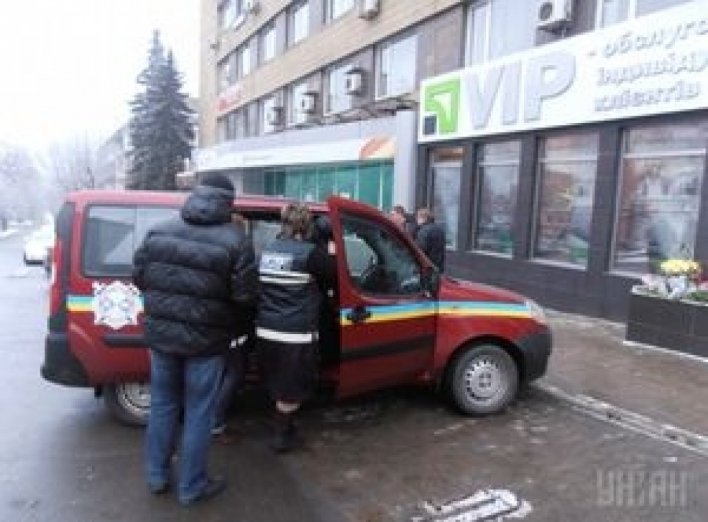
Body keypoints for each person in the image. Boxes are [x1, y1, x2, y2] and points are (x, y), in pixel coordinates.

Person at [132, 173, 258, 505]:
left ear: (196, 195)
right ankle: (191, 487)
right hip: (207, 343)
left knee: (162, 406)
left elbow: (139, 277)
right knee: (199, 412)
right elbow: (246, 298)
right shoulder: (236, 241)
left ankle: (157, 476)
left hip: (161, 339)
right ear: (228, 203)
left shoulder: (159, 230)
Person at [256, 203, 335, 453]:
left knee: (279, 383)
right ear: (306, 225)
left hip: (266, 330)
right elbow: (335, 277)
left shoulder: (266, 251)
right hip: (295, 334)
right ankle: (281, 437)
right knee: (290, 390)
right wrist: (331, 248)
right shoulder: (311, 254)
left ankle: (286, 429)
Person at [415, 207, 446, 272]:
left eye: (418, 217)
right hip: (438, 265)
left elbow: (420, 250)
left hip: (427, 267)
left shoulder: (423, 231)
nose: (416, 219)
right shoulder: (439, 229)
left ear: (424, 218)